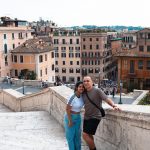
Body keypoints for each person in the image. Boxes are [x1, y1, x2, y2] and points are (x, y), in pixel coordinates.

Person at [82, 76, 121, 150]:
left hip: (95, 116)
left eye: (88, 81)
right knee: (89, 135)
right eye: (84, 81)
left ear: (92, 82)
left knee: (85, 135)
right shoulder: (83, 93)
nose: (86, 82)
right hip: (86, 117)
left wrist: (113, 105)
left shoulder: (97, 90)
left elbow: (106, 99)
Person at [64, 81, 84, 150]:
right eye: (80, 87)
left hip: (78, 118)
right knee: (70, 137)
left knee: (77, 137)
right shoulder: (72, 96)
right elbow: (67, 109)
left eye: (82, 87)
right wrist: (70, 121)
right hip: (70, 117)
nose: (81, 88)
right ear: (76, 87)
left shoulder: (82, 96)